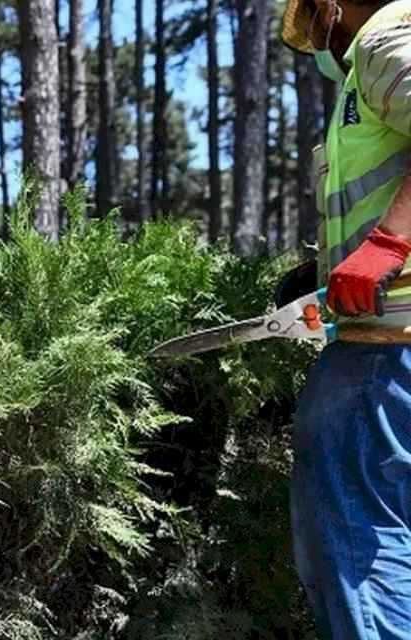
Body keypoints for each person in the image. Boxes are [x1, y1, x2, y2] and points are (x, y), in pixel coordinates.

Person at [284, 0, 411, 636]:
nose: (322, 48)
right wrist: (324, 271)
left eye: (315, 24)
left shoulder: (388, 36)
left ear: (332, 8)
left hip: (388, 351)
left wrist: (389, 243)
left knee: (360, 547)